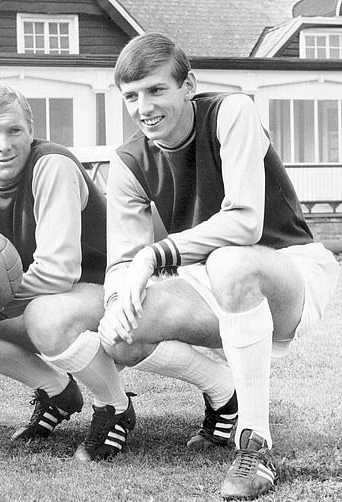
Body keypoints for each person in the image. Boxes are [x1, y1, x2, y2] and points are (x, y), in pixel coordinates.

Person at [100, 33, 339, 499]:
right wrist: (116, 299)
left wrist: (155, 254)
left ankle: (256, 445)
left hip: (288, 267)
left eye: (155, 90)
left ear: (188, 84)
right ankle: (223, 389)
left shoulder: (231, 111)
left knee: (231, 263)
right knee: (119, 335)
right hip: (210, 274)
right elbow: (121, 262)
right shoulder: (129, 160)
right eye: (131, 95)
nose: (143, 106)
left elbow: (246, 222)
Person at [0, 81, 133, 461]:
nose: (4, 145)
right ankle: (58, 392)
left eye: (14, 130)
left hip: (107, 286)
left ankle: (116, 408)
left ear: (31, 128)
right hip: (47, 297)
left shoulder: (51, 164)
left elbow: (58, 272)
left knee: (47, 317)